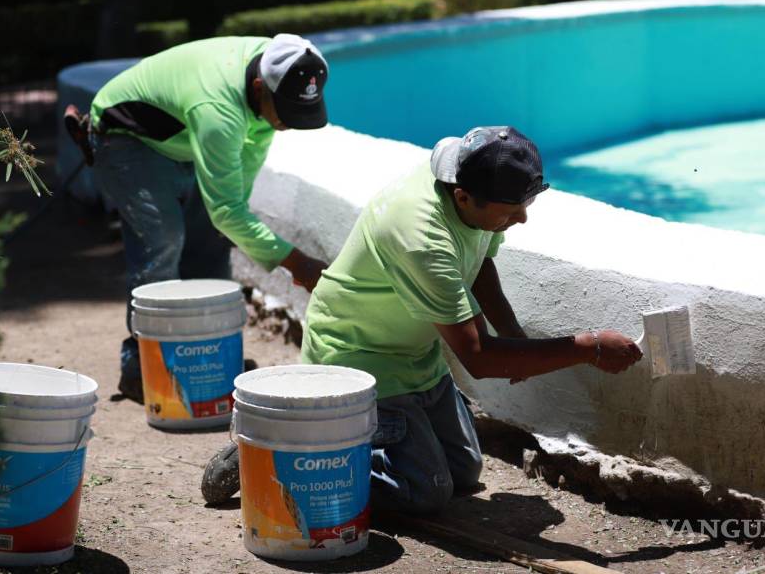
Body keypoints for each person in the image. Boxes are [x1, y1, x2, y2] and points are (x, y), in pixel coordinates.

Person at [201, 125, 642, 511]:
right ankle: (287, 452)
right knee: (425, 493)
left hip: (415, 356)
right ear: (463, 197)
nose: (522, 219)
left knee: (464, 475)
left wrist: (512, 334)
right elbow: (480, 360)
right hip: (360, 359)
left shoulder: (467, 177)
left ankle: (337, 445)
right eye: (511, 211)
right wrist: (589, 347)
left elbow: (480, 264)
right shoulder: (420, 236)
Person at [64, 34, 330, 403]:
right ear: (259, 88)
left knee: (213, 239)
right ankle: (144, 366)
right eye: (285, 111)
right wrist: (296, 262)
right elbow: (227, 209)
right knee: (162, 241)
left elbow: (232, 199)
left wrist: (235, 224)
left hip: (181, 135)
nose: (287, 123)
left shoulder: (279, 70)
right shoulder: (218, 108)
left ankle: (208, 357)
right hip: (127, 137)